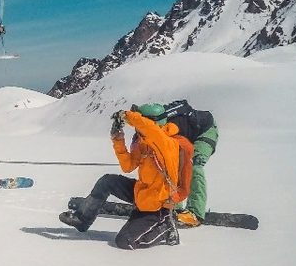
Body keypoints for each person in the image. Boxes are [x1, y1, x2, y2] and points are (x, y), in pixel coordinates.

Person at [59, 103, 195, 249]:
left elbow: (150, 129)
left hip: (158, 207)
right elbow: (128, 166)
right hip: (143, 196)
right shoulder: (146, 143)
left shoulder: (168, 143)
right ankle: (82, 219)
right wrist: (118, 141)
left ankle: (166, 226)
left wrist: (128, 116)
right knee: (107, 181)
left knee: (125, 241)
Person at [160, 99, 219, 226]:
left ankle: (195, 213)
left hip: (205, 131)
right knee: (173, 166)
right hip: (184, 137)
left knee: (194, 166)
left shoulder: (170, 119)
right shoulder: (149, 127)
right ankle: (175, 206)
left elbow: (183, 106)